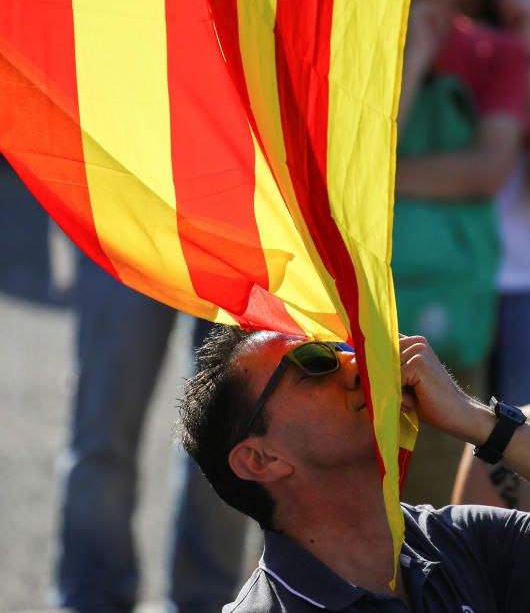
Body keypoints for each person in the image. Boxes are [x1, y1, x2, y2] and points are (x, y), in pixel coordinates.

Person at [178, 326, 530, 611]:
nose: (357, 364)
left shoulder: (463, 541)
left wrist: (477, 420)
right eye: (313, 363)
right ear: (261, 459)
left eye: (341, 347)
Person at [394, 0, 527, 506]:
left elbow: (486, 169)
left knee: (432, 506)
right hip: (356, 308)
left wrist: (377, 181)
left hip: (449, 310)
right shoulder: (348, 46)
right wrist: (414, 59)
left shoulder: (497, 52)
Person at [55, 254, 249, 613]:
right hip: (125, 222)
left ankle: (206, 600)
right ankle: (91, 596)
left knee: (225, 440)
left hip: (233, 232)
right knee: (103, 425)